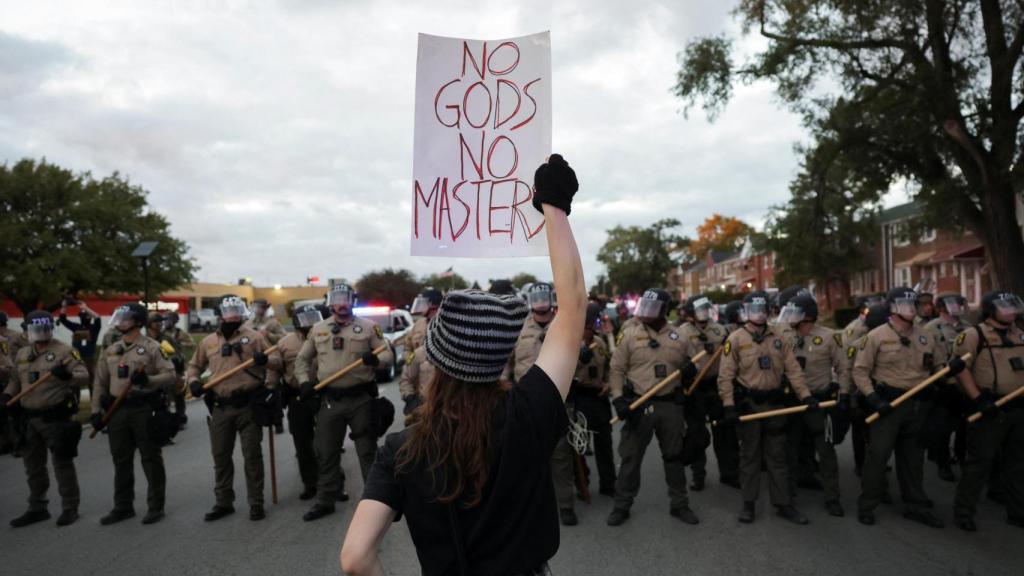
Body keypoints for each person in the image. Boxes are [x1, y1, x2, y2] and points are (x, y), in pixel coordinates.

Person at [340, 154, 583, 576]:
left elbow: (356, 558)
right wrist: (553, 207)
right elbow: (574, 305)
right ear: (502, 355)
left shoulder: (402, 450)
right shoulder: (530, 415)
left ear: (436, 358)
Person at [853, 287, 963, 528]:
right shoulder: (876, 336)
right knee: (878, 456)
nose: (912, 308)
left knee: (913, 458)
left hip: (918, 405)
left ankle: (915, 505)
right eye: (905, 304)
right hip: (888, 405)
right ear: (892, 308)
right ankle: (868, 504)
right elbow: (860, 371)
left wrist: (949, 371)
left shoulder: (926, 336)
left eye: (914, 304)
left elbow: (938, 368)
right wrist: (873, 399)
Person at [295, 282, 394, 522]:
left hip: (361, 399)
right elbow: (302, 360)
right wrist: (304, 382)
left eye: (346, 299)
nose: (341, 304)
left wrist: (375, 360)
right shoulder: (318, 329)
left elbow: (388, 356)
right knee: (326, 452)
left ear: (353, 301)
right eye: (337, 299)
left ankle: (375, 506)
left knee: (367, 452)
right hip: (330, 400)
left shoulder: (369, 328)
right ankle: (326, 500)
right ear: (330, 302)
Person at [717, 291, 815, 525]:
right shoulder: (736, 339)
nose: (759, 314)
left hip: (775, 406)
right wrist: (729, 406)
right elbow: (725, 376)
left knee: (777, 457)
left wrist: (806, 397)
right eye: (754, 310)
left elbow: (793, 370)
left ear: (769, 311)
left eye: (763, 310)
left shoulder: (779, 337)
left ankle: (783, 504)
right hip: (750, 407)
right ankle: (748, 504)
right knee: (750, 457)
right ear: (746, 312)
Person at [606, 288, 701, 527]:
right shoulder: (629, 334)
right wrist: (618, 398)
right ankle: (622, 505)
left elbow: (696, 365)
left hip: (669, 405)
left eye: (652, 308)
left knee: (674, 457)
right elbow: (616, 369)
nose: (646, 313)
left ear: (664, 311)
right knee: (630, 458)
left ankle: (679, 504)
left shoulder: (680, 336)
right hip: (640, 405)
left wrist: (691, 371)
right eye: (644, 307)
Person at [186, 296, 278, 522]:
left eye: (237, 311)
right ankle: (223, 502)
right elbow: (194, 367)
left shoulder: (255, 338)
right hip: (220, 407)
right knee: (221, 457)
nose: (232, 315)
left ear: (243, 313)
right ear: (221, 314)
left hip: (248, 405)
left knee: (252, 457)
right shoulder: (208, 342)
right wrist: (194, 382)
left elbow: (276, 361)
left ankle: (256, 502)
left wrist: (263, 360)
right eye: (228, 311)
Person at [0, 311, 89, 527]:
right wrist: (6, 396)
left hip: (55, 417)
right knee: (33, 466)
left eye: (45, 328)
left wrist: (66, 375)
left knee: (62, 463)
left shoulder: (65, 351)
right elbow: (15, 381)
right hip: (28, 419)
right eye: (36, 329)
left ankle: (70, 508)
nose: (42, 333)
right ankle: (37, 507)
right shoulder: (22, 354)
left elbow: (84, 376)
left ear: (51, 328)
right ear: (28, 331)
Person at [90, 304, 176, 525]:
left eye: (125, 318)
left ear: (137, 322)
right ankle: (123, 506)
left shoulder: (153, 347)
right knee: (121, 459)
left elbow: (170, 375)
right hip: (117, 411)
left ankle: (156, 506)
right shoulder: (110, 349)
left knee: (150, 457)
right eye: (118, 318)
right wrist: (95, 411)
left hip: (144, 409)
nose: (119, 321)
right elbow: (99, 381)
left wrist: (148, 380)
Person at [952, 291, 1024, 531]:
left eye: (1013, 306)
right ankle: (964, 512)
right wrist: (979, 399)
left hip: (1018, 407)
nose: (1011, 311)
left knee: (1017, 463)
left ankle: (1017, 511)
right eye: (1005, 307)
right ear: (990, 310)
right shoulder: (974, 335)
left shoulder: (1020, 333)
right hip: (990, 407)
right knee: (979, 462)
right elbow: (960, 369)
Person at [779, 294, 851, 516]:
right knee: (789, 449)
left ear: (807, 316)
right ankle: (787, 496)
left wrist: (845, 394)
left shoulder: (829, 337)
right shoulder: (781, 335)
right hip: (792, 401)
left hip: (820, 401)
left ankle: (832, 497)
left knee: (825, 450)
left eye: (795, 313)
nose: (790, 317)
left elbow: (843, 368)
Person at [677, 294, 737, 490]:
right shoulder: (682, 333)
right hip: (694, 388)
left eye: (705, 309)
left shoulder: (720, 330)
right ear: (690, 313)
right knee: (697, 433)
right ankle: (698, 475)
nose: (703, 314)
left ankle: (728, 473)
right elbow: (675, 360)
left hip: (715, 385)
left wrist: (730, 341)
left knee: (723, 432)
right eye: (699, 310)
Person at [268, 304, 323, 501]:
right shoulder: (284, 343)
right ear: (296, 322)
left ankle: (333, 483)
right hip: (297, 396)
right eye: (305, 319)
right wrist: (269, 390)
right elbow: (274, 369)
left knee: (325, 442)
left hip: (323, 393)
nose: (309, 323)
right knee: (302, 442)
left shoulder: (325, 336)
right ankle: (310, 483)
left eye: (313, 318)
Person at [923, 292, 970, 482]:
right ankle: (943, 463)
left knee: (965, 426)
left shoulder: (968, 327)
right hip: (944, 384)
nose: (957, 307)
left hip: (966, 383)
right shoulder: (931, 328)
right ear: (941, 308)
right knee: (943, 427)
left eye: (959, 303)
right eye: (953, 304)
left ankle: (961, 456)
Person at [571, 303, 616, 498]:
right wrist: (581, 358)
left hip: (599, 398)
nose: (596, 327)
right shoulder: (569, 343)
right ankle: (583, 483)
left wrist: (608, 383)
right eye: (593, 323)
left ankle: (609, 483)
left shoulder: (600, 342)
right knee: (579, 445)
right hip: (579, 396)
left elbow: (608, 367)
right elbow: (564, 372)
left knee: (604, 442)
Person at [161, 311, 194, 429]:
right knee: (165, 395)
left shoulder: (180, 333)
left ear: (175, 321)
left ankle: (181, 417)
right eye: (165, 320)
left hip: (179, 365)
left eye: (168, 320)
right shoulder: (162, 334)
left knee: (179, 394)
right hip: (165, 366)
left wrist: (180, 343)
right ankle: (167, 419)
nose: (166, 322)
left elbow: (192, 344)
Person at [58, 299, 102, 383]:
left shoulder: (94, 328)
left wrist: (85, 308)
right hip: (76, 356)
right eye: (82, 315)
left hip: (89, 357)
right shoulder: (76, 327)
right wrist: (64, 306)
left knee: (92, 380)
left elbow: (97, 318)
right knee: (75, 380)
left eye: (87, 315)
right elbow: (63, 319)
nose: (84, 317)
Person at [407, 288, 443, 352]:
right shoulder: (419, 323)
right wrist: (408, 358)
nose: (420, 306)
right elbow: (406, 347)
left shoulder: (445, 324)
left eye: (422, 303)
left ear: (432, 304)